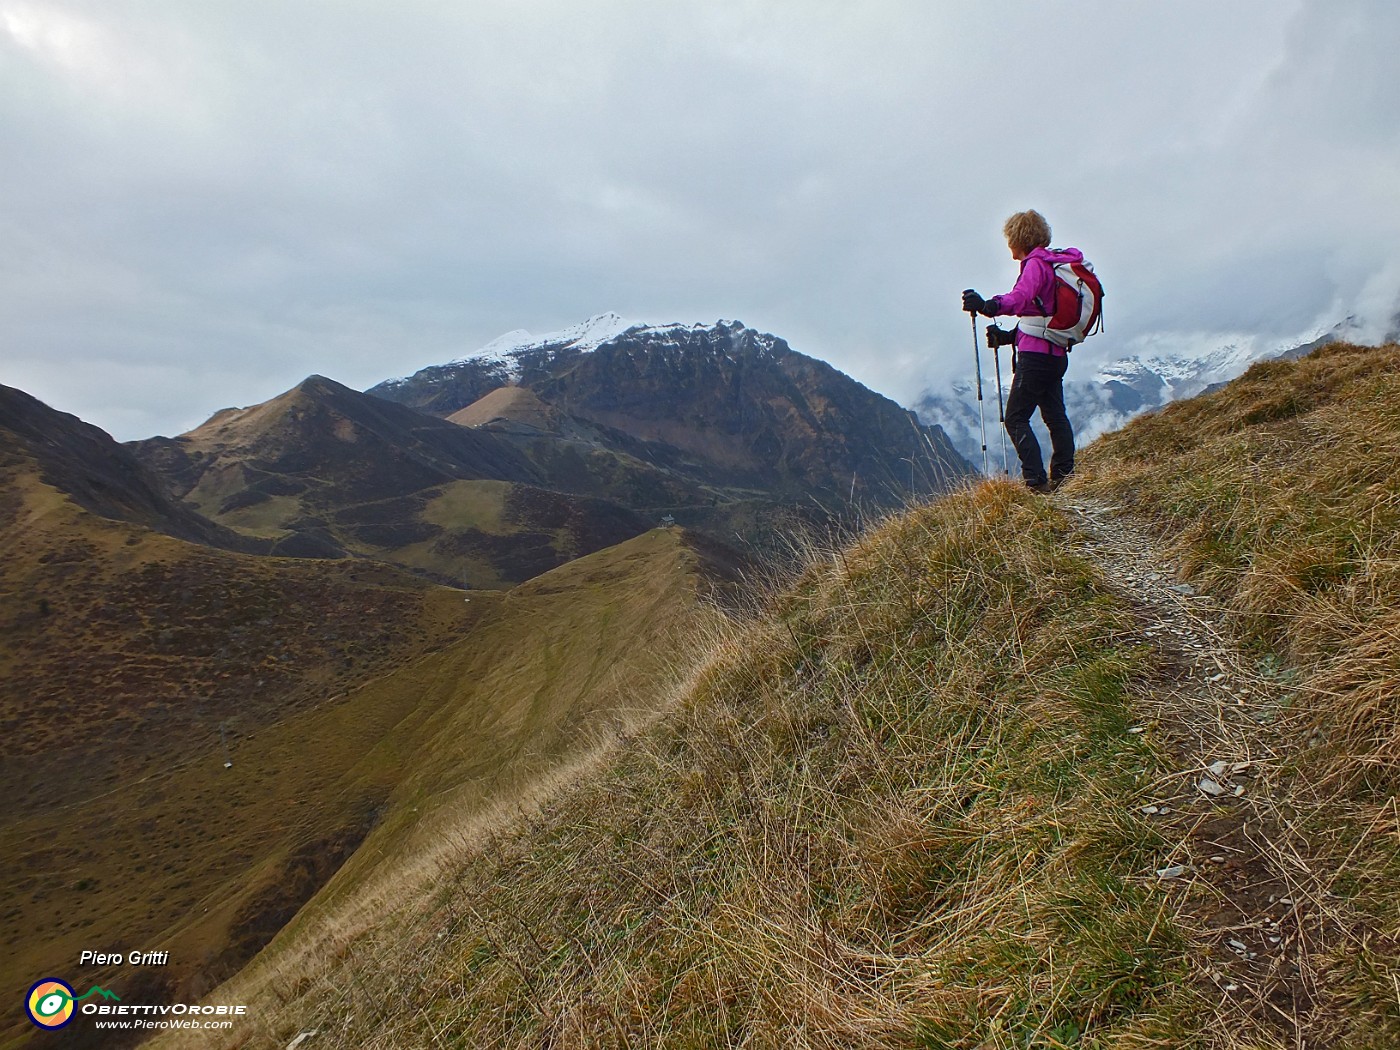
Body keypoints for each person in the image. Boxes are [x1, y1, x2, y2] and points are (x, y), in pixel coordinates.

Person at [962, 209, 1078, 493]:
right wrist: (1007, 337)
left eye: (1011, 242)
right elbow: (1038, 315)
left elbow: (1021, 298)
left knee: (1015, 417)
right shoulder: (1052, 264)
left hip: (1035, 360)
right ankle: (1064, 475)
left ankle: (1036, 482)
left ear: (1019, 239)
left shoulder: (1035, 265)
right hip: (1055, 355)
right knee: (1055, 416)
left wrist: (989, 306)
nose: (1011, 251)